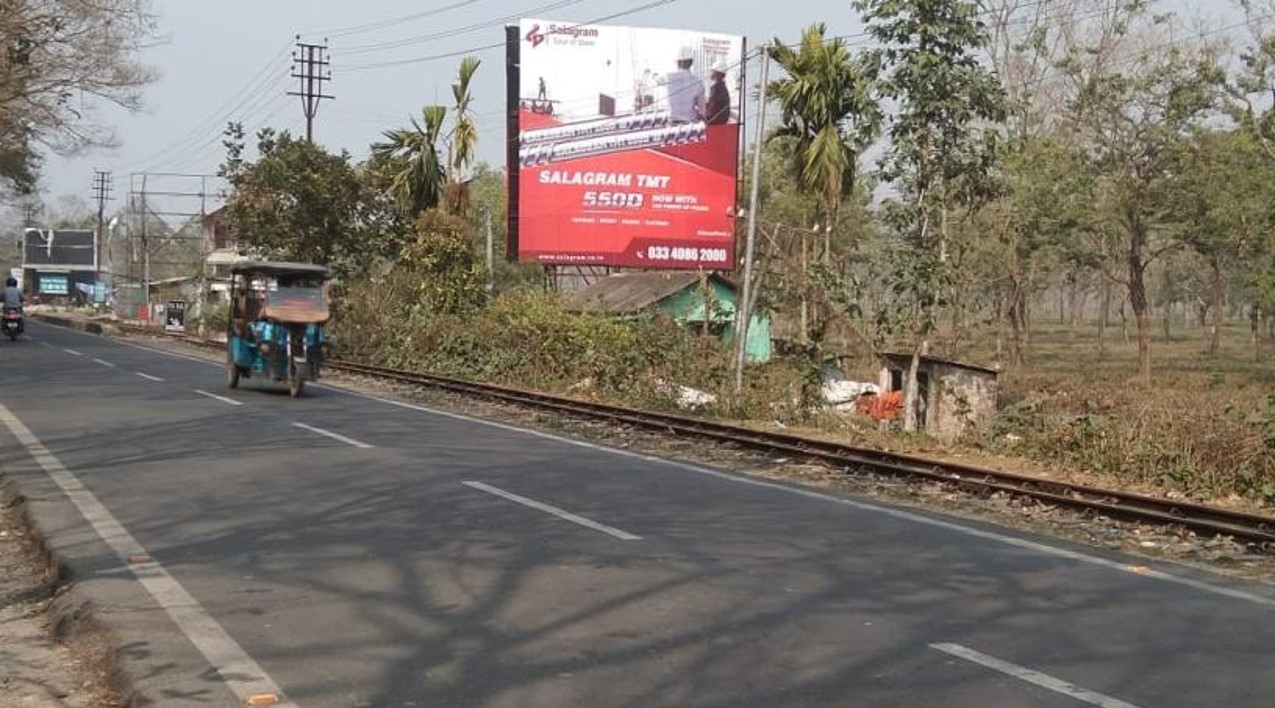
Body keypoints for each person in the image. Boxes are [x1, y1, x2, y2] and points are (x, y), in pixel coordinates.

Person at [660, 46, 704, 123]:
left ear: (677, 62)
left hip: (672, 122)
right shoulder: (698, 82)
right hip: (689, 124)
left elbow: (658, 80)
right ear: (691, 62)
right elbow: (702, 109)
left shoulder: (668, 77)